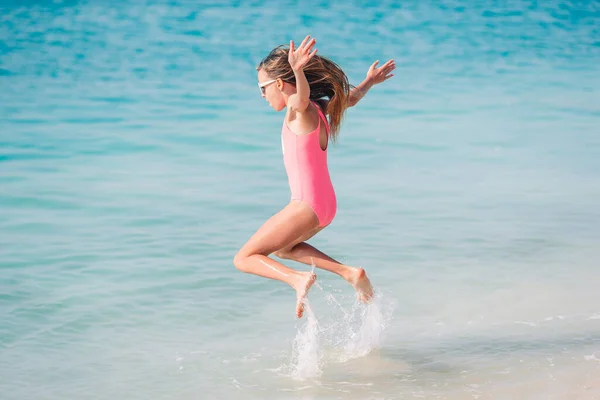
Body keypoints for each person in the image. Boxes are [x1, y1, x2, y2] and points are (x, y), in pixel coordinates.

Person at [234, 35, 396, 318]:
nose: (262, 95)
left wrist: (297, 70)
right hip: (324, 205)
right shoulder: (320, 108)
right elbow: (351, 98)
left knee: (245, 258)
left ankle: (297, 279)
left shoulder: (302, 111)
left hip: (306, 205)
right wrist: (369, 81)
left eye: (263, 88)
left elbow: (300, 98)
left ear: (280, 84)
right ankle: (349, 273)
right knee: (285, 249)